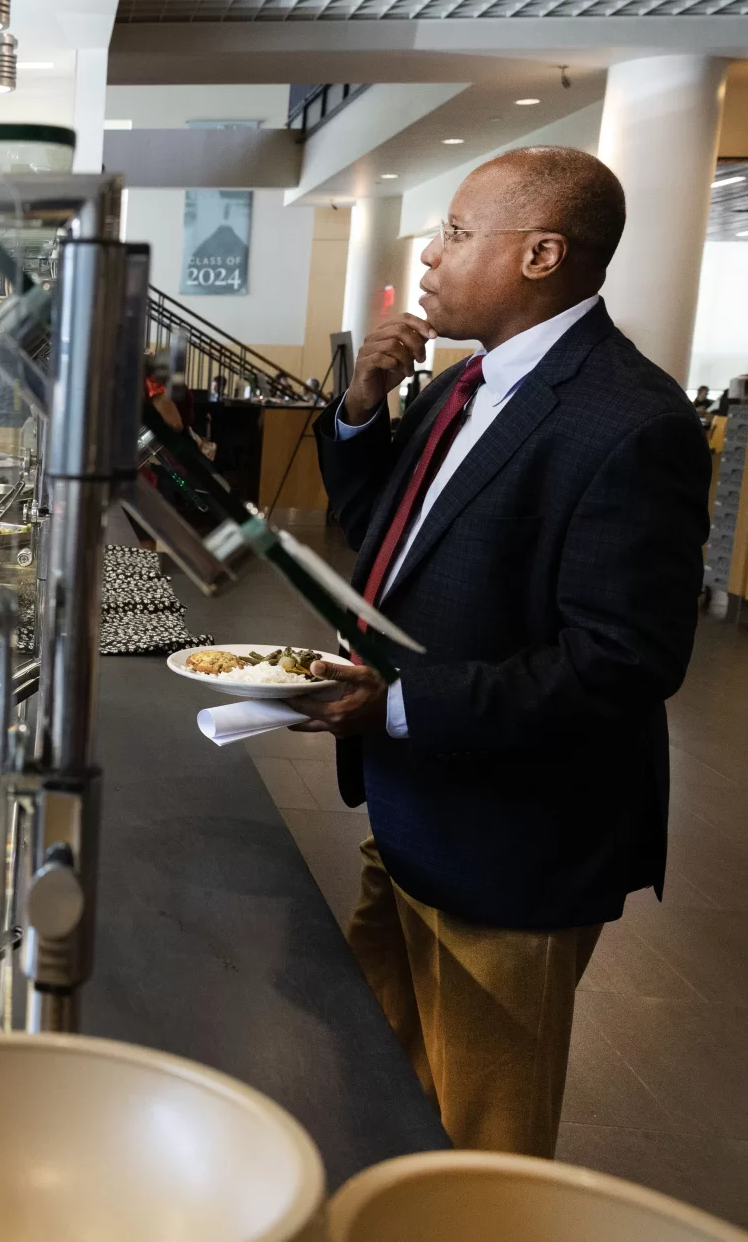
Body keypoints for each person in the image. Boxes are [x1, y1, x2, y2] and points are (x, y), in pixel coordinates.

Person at [293, 146, 710, 1157]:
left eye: (453, 232)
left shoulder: (628, 420)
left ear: (538, 254)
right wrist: (359, 410)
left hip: (510, 839)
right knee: (379, 1078)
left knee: (482, 1135)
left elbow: (622, 658)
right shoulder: (463, 383)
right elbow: (382, 534)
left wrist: (395, 703)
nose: (429, 258)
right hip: (408, 810)